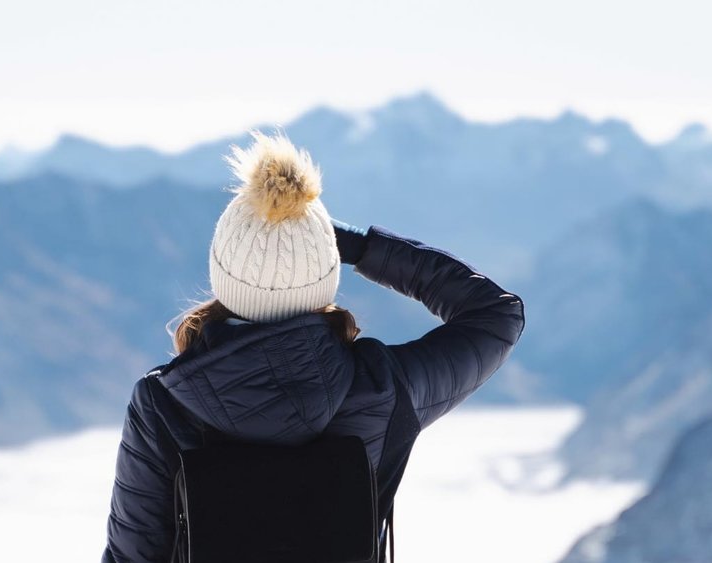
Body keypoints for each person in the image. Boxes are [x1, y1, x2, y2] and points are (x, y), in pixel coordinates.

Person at [101, 130, 526, 562]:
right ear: (325, 272)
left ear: (222, 274)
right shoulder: (384, 390)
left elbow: (129, 557)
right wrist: (360, 247)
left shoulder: (162, 404)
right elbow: (496, 315)